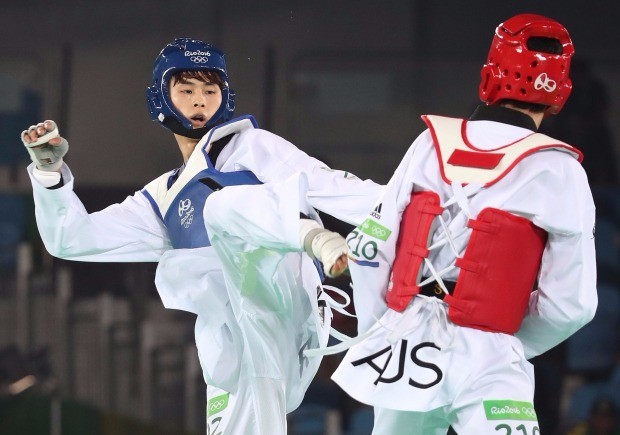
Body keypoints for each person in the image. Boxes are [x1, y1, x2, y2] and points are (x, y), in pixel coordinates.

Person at [21, 38, 381, 434]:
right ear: (161, 97)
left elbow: (332, 186)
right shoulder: (162, 198)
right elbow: (70, 240)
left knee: (223, 208)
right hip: (227, 339)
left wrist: (409, 207)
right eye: (187, 90)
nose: (200, 101)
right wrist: (50, 177)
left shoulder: (252, 145)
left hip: (279, 300)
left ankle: (309, 235)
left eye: (211, 91)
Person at [330, 14, 597, 434]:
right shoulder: (558, 170)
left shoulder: (429, 144)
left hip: (405, 343)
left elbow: (370, 248)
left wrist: (386, 327)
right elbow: (571, 305)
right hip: (492, 351)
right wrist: (505, 340)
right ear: (560, 91)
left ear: (490, 75)